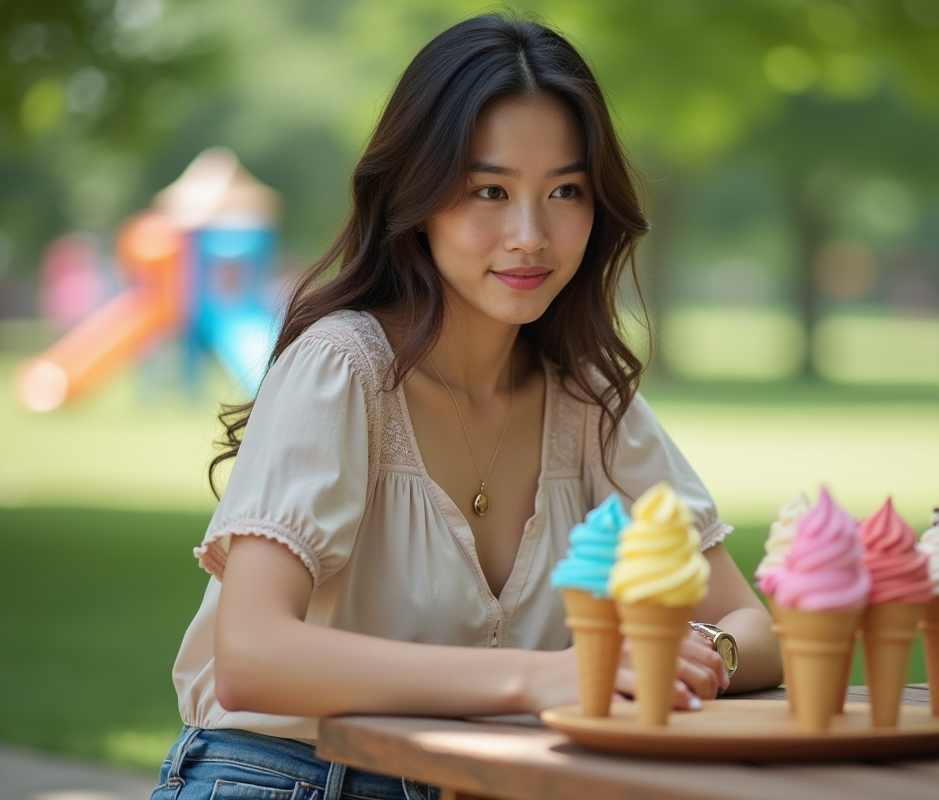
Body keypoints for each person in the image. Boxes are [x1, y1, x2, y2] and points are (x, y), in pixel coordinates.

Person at [150, 13, 781, 800]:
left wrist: (689, 652)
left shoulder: (587, 403)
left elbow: (755, 630)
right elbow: (252, 657)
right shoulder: (342, 370)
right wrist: (542, 678)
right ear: (417, 197)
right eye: (489, 190)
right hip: (287, 780)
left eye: (565, 191)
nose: (531, 235)